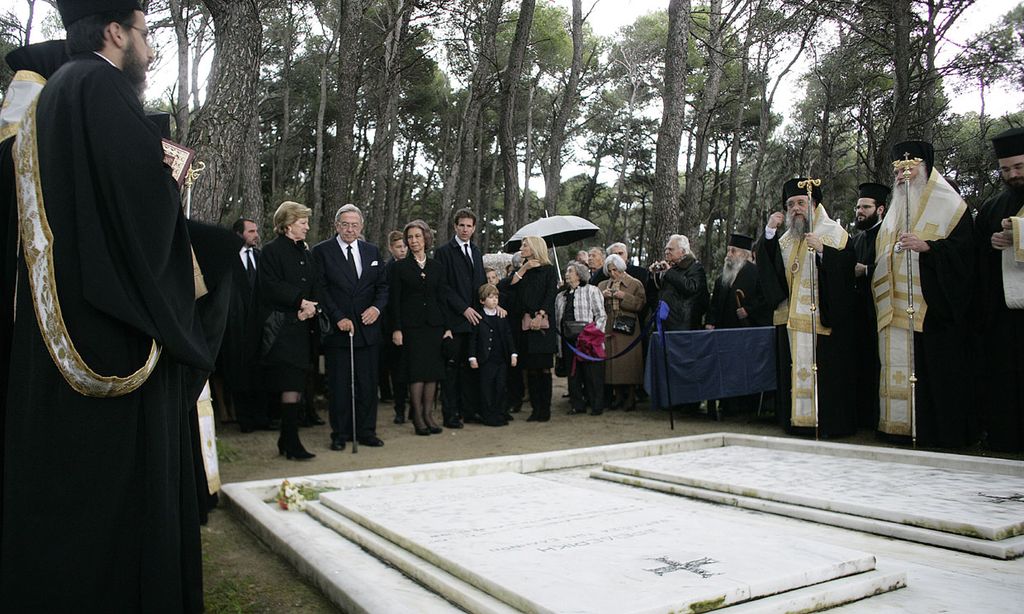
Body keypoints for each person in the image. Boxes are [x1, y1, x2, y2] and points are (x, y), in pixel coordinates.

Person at [2, 3, 212, 609]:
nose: (149, 50)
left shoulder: (55, 92)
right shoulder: (99, 84)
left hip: (61, 319)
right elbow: (139, 204)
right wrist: (175, 173)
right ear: (116, 32)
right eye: (145, 34)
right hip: (110, 332)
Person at [874, 141, 974, 448]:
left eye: (910, 167)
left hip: (934, 309)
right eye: (899, 170)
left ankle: (937, 432)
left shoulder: (951, 206)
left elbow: (966, 255)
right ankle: (899, 428)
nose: (904, 175)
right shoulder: (894, 210)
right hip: (896, 308)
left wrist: (930, 247)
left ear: (925, 168)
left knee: (936, 372)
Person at [757, 178, 857, 438]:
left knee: (825, 375)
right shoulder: (785, 240)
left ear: (814, 205)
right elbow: (771, 272)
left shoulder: (835, 233)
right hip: (791, 322)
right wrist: (768, 234)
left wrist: (824, 251)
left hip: (822, 321)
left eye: (801, 203)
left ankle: (827, 424)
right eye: (791, 205)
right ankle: (796, 422)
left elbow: (847, 269)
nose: (796, 209)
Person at [314, 204, 388, 450]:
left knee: (367, 384)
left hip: (368, 331)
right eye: (345, 224)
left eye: (354, 225)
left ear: (361, 227)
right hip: (340, 330)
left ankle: (367, 431)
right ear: (336, 226)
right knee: (340, 385)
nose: (350, 229)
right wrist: (337, 317)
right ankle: (340, 434)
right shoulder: (322, 251)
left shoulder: (372, 251)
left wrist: (376, 309)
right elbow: (321, 289)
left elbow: (382, 287)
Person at [975, 127, 1024, 451]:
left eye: (1019, 167)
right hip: (1006, 316)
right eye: (1006, 169)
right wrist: (991, 242)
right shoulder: (994, 207)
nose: (1012, 175)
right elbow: (975, 256)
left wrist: (1018, 234)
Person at [259, 202, 318, 460]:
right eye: (303, 222)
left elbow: (315, 282)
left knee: (297, 381)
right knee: (289, 383)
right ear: (288, 223)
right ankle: (291, 441)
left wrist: (312, 306)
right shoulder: (271, 251)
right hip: (282, 329)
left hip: (303, 327)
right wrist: (299, 302)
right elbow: (269, 285)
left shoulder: (305, 252)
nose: (307, 226)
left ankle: (287, 439)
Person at [390, 220, 453, 435]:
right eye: (410, 237)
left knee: (432, 373)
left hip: (434, 326)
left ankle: (429, 414)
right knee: (416, 373)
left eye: (417, 236)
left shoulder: (437, 267)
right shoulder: (399, 267)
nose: (414, 241)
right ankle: (417, 416)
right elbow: (395, 301)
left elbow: (442, 297)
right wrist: (397, 328)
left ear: (426, 238)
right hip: (411, 327)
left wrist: (447, 326)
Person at [216, 217, 272, 432]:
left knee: (260, 374)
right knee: (238, 374)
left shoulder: (260, 257)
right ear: (239, 234)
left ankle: (262, 418)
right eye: (251, 231)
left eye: (256, 231)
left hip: (259, 327)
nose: (256, 235)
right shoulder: (227, 260)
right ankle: (245, 420)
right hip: (235, 328)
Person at [705, 233, 769, 416]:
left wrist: (749, 310)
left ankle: (744, 407)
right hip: (725, 332)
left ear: (743, 254)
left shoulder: (756, 274)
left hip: (746, 332)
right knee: (725, 369)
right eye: (728, 251)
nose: (729, 255)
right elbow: (715, 303)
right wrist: (710, 322)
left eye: (733, 251)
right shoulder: (723, 276)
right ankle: (726, 405)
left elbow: (765, 299)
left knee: (744, 369)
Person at [434, 208, 487, 428]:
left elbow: (481, 284)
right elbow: (443, 287)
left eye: (469, 226)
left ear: (474, 229)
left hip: (476, 320)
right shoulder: (444, 252)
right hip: (454, 320)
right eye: (462, 225)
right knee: (451, 370)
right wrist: (463, 308)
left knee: (470, 368)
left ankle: (469, 410)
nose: (465, 229)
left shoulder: (475, 251)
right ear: (455, 226)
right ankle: (450, 414)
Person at [851, 183, 889, 430]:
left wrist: (866, 271)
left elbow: (896, 268)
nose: (860, 211)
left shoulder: (889, 235)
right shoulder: (856, 238)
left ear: (880, 209)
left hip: (882, 310)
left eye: (866, 207)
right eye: (858, 207)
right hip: (859, 314)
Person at [510, 236, 559, 422]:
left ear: (535, 248)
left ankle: (545, 410)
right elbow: (511, 286)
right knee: (530, 369)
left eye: (525, 245)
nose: (522, 248)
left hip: (543, 325)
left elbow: (550, 294)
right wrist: (524, 268)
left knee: (543, 369)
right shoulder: (522, 271)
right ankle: (535, 409)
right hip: (525, 325)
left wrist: (540, 315)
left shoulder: (549, 270)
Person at [556, 261, 607, 415]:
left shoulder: (592, 291)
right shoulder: (561, 296)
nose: (566, 274)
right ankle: (577, 404)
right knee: (573, 374)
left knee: (592, 374)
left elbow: (601, 315)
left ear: (579, 274)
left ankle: (596, 405)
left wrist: (593, 334)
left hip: (588, 340)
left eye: (570, 271)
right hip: (567, 340)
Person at [598, 253, 646, 411]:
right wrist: (602, 297)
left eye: (615, 270)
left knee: (629, 363)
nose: (613, 274)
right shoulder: (603, 285)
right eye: (610, 270)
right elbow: (596, 306)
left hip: (628, 327)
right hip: (609, 326)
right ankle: (617, 396)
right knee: (612, 364)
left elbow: (640, 304)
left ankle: (631, 397)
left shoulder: (635, 283)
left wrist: (623, 296)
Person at [468, 284, 518, 426]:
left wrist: (513, 353)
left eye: (496, 297)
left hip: (501, 358)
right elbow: (474, 339)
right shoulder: (479, 317)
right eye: (490, 297)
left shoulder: (501, 316)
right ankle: (488, 415)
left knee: (500, 386)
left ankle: (500, 412)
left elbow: (508, 336)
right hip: (486, 359)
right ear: (482, 300)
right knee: (486, 388)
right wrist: (472, 357)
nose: (495, 300)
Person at [648, 234, 709, 331]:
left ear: (683, 251)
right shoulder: (670, 269)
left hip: (683, 326)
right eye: (666, 249)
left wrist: (669, 272)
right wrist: (653, 276)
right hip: (664, 324)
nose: (667, 252)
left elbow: (690, 288)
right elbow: (655, 295)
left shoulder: (695, 268)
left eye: (671, 249)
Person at [380, 230, 409, 424]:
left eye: (405, 246)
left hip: (413, 325)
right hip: (393, 326)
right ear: (391, 248)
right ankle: (399, 409)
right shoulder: (387, 270)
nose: (403, 250)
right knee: (398, 370)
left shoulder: (412, 266)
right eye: (399, 247)